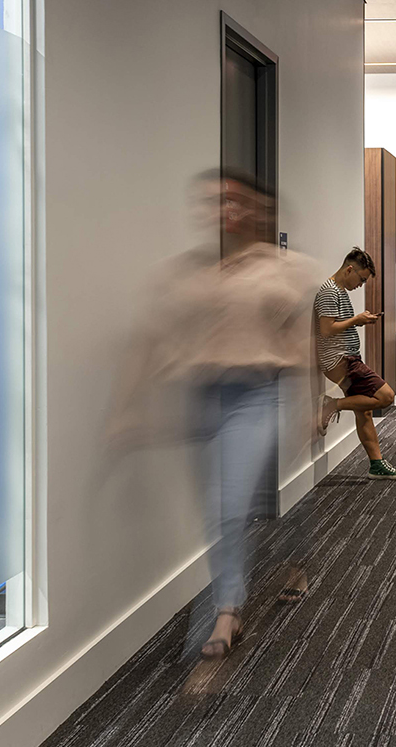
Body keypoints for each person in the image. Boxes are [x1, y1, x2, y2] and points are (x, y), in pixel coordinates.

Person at [105, 169, 318, 659]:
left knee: (229, 501)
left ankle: (227, 608)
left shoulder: (285, 269)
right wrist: (127, 407)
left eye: (238, 200)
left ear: (259, 210)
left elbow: (299, 343)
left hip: (256, 396)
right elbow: (148, 340)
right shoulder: (186, 273)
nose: (228, 210)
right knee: (214, 508)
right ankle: (236, 592)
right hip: (200, 396)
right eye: (217, 201)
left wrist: (311, 405)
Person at [315, 247, 396, 479]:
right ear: (350, 269)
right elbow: (326, 330)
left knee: (364, 410)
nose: (361, 284)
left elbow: (337, 325)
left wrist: (358, 322)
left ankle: (376, 465)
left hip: (347, 358)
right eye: (362, 279)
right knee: (386, 396)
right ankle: (331, 405)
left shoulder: (339, 290)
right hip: (340, 360)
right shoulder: (329, 291)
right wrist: (356, 319)